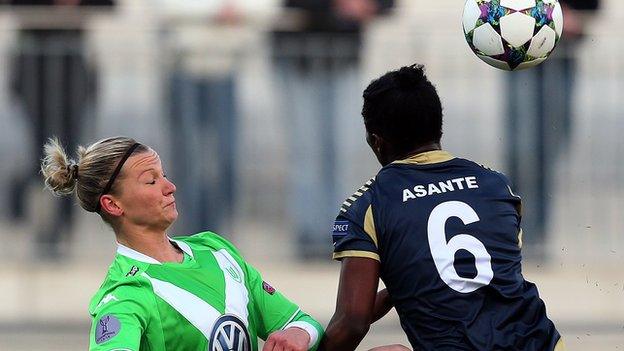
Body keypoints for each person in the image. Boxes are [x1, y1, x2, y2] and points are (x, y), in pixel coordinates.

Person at [321, 65, 563, 350]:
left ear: (376, 141)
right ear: (439, 127)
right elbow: (489, 276)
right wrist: (397, 292)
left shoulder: (367, 206)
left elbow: (352, 322)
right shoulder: (496, 185)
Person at [40, 136, 323, 350]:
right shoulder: (126, 296)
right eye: (151, 181)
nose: (169, 186)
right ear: (113, 204)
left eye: (164, 174)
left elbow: (302, 321)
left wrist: (297, 335)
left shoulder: (216, 251)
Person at [272, 0, 394, 259]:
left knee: (339, 151)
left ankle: (339, 233)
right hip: (299, 58)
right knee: (305, 150)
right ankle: (309, 237)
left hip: (343, 57)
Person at [7, 0, 115, 259]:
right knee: (40, 151)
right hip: (34, 64)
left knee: (71, 155)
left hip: (71, 65)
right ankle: (43, 232)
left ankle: (63, 232)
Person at [505, 0, 600, 258]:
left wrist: (575, 14)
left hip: (562, 49)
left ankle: (534, 238)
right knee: (523, 148)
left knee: (551, 145)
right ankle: (512, 234)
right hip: (520, 49)